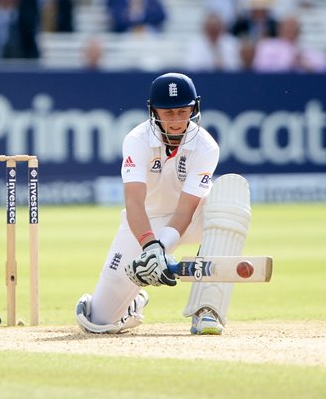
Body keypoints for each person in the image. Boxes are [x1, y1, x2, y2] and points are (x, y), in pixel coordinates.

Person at [76, 73, 245, 336]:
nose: (177, 120)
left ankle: (207, 310)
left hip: (196, 220)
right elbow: (134, 202)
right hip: (145, 224)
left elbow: (185, 209)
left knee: (230, 198)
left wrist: (159, 250)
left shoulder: (206, 146)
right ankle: (132, 304)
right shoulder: (137, 139)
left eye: (182, 111)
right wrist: (150, 247)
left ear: (194, 108)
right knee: (98, 322)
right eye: (168, 113)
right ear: (153, 111)